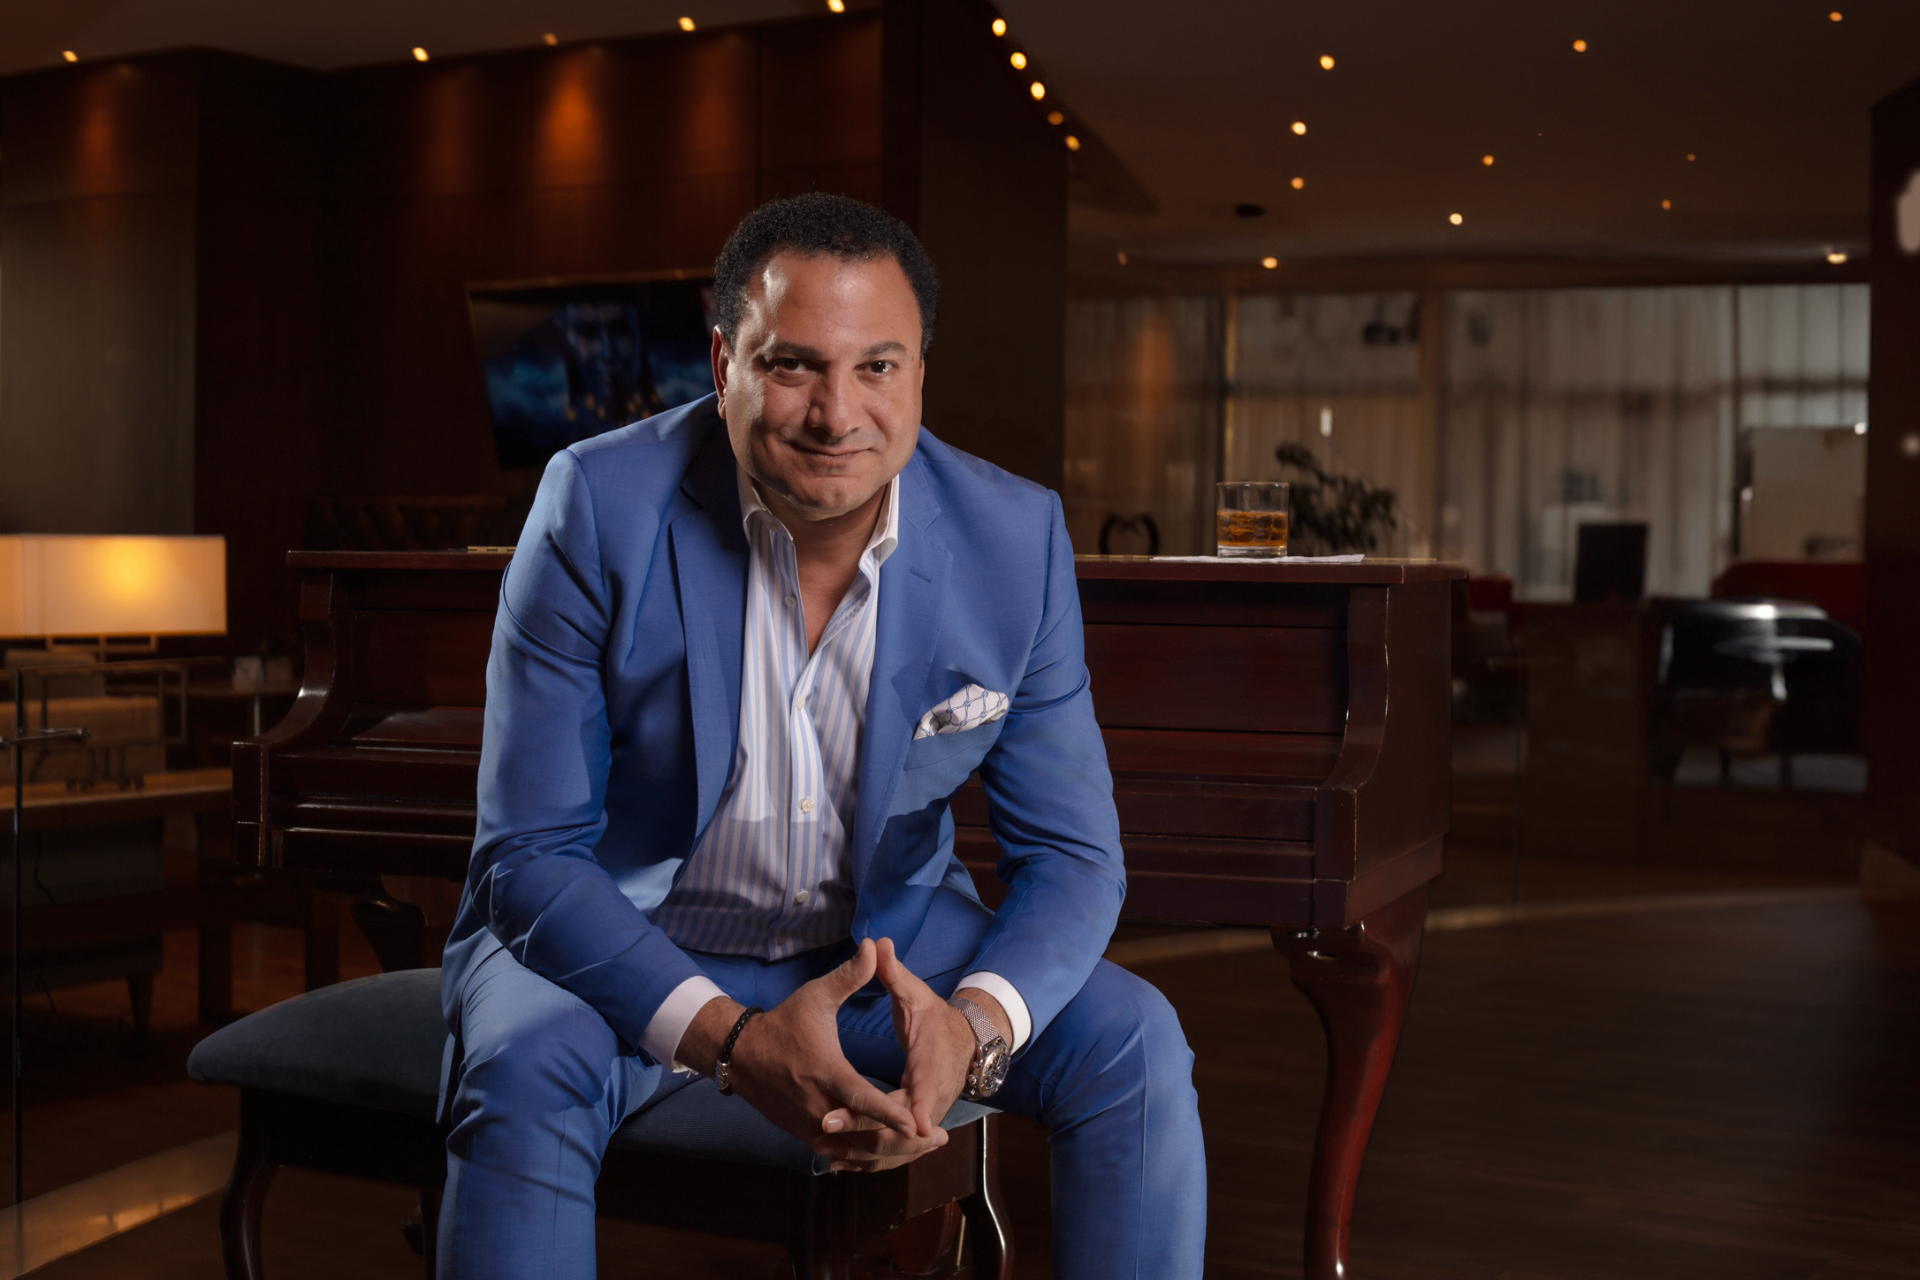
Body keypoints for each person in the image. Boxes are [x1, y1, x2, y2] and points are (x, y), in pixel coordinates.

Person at [435, 192, 1206, 1278]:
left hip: (880, 951)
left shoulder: (1013, 539)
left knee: (1135, 1041)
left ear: (920, 373)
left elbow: (1075, 856)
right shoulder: (595, 507)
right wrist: (734, 1041)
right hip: (618, 934)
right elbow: (529, 855)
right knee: (523, 1067)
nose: (837, 414)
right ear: (724, 365)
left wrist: (973, 1024)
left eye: (877, 366)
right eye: (793, 365)